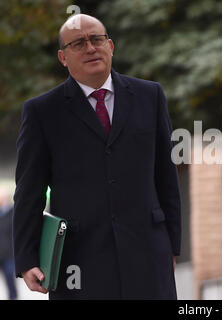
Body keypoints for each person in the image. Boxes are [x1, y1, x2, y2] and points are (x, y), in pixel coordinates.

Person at [13, 14, 181, 299]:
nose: (90, 48)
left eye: (97, 39)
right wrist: (27, 258)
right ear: (63, 57)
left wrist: (173, 246)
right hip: (79, 259)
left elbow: (166, 176)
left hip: (148, 251)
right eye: (78, 43)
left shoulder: (149, 96)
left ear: (111, 46)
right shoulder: (42, 112)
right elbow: (29, 191)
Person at [0, 190, 18, 300]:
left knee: (9, 277)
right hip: (1, 252)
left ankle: (13, 296)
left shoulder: (13, 213)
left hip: (9, 253)